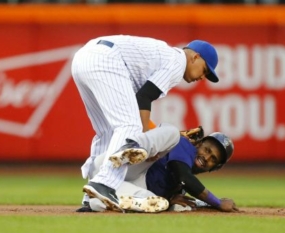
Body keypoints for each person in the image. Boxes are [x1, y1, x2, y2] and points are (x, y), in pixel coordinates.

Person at [71, 35, 220, 211]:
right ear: (195, 57)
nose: (202, 77)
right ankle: (104, 184)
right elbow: (144, 97)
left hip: (82, 59)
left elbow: (139, 97)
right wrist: (144, 140)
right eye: (205, 70)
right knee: (129, 126)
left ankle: (91, 195)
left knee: (106, 131)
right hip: (105, 60)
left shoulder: (166, 55)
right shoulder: (178, 62)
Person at [79, 125, 238, 213]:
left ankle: (98, 202)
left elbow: (187, 183)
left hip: (126, 185)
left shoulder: (183, 185)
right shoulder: (184, 146)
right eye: (207, 150)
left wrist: (170, 200)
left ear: (214, 168)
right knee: (173, 133)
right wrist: (217, 202)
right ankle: (133, 147)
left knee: (161, 204)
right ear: (199, 144)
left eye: (213, 160)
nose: (206, 157)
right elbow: (183, 175)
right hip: (126, 167)